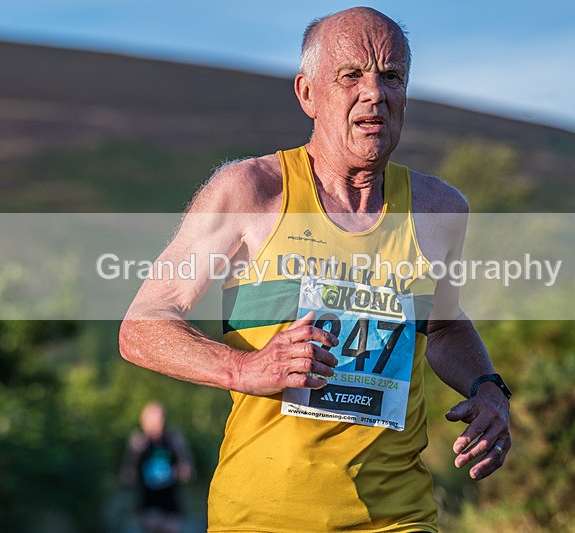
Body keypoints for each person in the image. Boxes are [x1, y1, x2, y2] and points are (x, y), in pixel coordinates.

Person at [119, 7, 511, 532]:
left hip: (398, 518)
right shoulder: (252, 192)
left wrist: (486, 387)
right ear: (307, 94)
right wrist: (244, 370)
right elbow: (142, 325)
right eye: (351, 76)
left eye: (391, 77)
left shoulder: (438, 210)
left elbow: (441, 324)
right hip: (261, 516)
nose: (374, 93)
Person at [120, 401, 194, 533]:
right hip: (149, 499)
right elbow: (127, 473)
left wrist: (183, 471)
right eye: (151, 420)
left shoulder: (173, 440)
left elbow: (186, 467)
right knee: (153, 524)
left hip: (170, 498)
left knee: (171, 527)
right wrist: (133, 457)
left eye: (159, 420)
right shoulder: (139, 442)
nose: (156, 424)